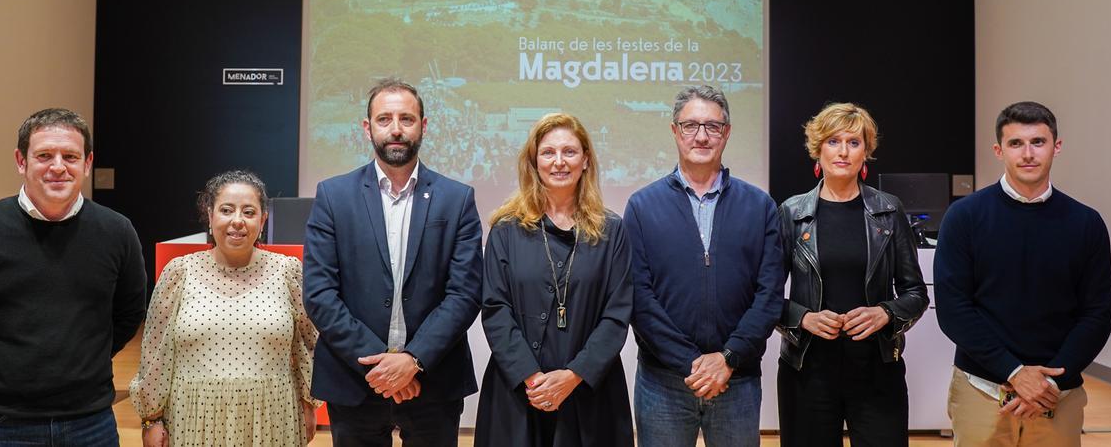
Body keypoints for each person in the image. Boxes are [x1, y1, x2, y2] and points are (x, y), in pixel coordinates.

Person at [0, 108, 146, 446]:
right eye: (44, 155)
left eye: (70, 156)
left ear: (86, 163)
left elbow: (129, 313)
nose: (58, 166)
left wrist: (84, 359)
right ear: (21, 161)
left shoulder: (117, 231)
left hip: (90, 421)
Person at [303, 78, 483, 446]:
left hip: (433, 381)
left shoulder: (457, 198)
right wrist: (382, 365)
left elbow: (464, 294)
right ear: (367, 128)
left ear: (424, 125)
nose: (396, 129)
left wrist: (412, 361)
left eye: (407, 119)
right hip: (355, 379)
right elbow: (320, 294)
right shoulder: (333, 196)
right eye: (385, 119)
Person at [935, 101, 1111, 446]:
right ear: (999, 150)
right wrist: (1015, 373)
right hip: (983, 390)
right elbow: (954, 308)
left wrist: (1049, 384)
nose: (1028, 153)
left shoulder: (1086, 224)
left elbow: (1097, 313)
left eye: (1038, 142)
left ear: (1056, 146)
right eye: (1016, 143)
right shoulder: (964, 217)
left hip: (1057, 395)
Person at [624, 85, 785, 446]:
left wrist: (726, 359)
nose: (701, 136)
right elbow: (639, 297)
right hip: (663, 382)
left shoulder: (759, 207)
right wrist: (693, 364)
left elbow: (769, 294)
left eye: (712, 126)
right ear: (674, 131)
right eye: (690, 125)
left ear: (726, 133)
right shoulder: (641, 206)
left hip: (737, 379)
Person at [474, 113, 634, 447]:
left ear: (586, 160)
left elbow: (616, 315)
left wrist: (572, 377)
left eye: (570, 152)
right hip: (519, 392)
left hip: (590, 391)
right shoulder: (505, 228)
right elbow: (494, 308)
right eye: (548, 152)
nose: (559, 162)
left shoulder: (612, 231)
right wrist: (533, 378)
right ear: (534, 161)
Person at [775, 103, 929, 446]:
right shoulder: (791, 212)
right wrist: (803, 319)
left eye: (853, 142)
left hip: (877, 370)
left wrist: (885, 312)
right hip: (807, 370)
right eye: (833, 141)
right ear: (818, 150)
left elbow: (916, 292)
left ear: (866, 152)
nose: (843, 151)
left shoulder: (889, 210)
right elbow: (765, 296)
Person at [130, 170, 319, 446]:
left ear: (263, 219)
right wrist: (152, 418)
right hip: (194, 417)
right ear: (210, 215)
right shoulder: (179, 273)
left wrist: (308, 402)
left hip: (272, 415)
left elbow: (308, 343)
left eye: (249, 212)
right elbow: (155, 353)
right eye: (227, 210)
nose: (237, 221)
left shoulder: (287, 272)